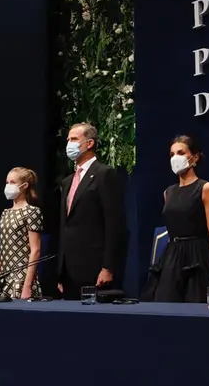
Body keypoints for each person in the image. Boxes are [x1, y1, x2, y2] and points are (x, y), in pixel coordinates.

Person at [141, 135, 209, 303]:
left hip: (197, 258)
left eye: (181, 153)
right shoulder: (168, 192)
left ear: (195, 157)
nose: (175, 158)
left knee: (196, 305)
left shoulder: (205, 188)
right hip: (172, 257)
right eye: (172, 154)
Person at [58, 122, 126, 300]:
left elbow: (114, 224)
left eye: (74, 139)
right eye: (68, 140)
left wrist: (108, 267)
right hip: (69, 270)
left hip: (95, 269)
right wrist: (60, 270)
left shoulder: (104, 174)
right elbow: (65, 225)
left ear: (89, 143)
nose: (69, 144)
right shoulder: (67, 181)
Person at [0, 167, 43, 300]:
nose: (8, 186)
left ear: (24, 186)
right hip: (2, 280)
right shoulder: (5, 213)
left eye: (12, 182)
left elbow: (35, 250)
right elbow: (2, 251)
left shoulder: (31, 211)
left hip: (21, 279)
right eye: (7, 182)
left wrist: (27, 286)